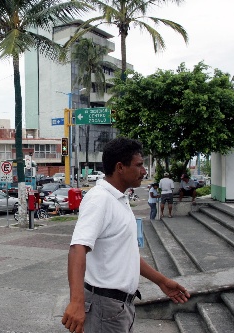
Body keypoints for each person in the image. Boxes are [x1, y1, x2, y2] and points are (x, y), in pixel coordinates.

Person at [62, 137, 190, 333]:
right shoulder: (100, 199)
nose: (144, 171)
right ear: (120, 167)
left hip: (120, 306)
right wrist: (76, 302)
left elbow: (127, 254)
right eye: (139, 165)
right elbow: (77, 248)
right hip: (105, 307)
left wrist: (161, 281)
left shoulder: (119, 199)